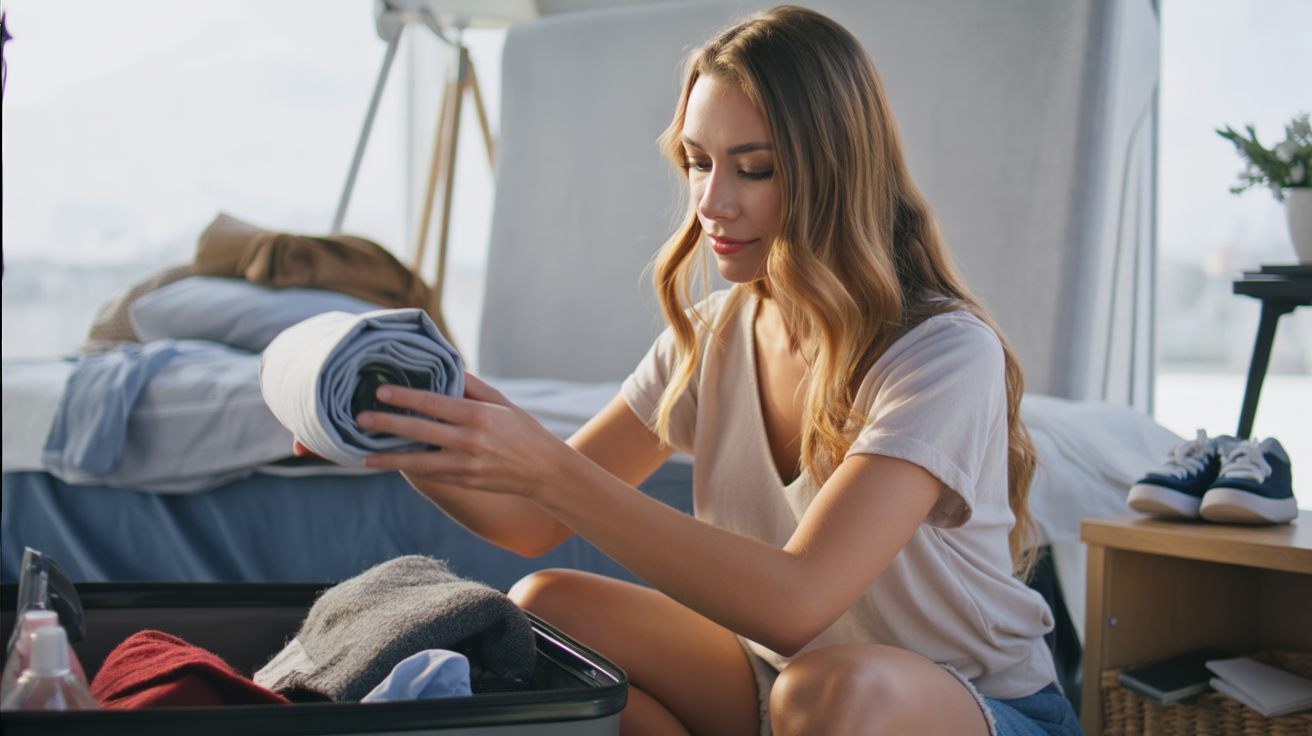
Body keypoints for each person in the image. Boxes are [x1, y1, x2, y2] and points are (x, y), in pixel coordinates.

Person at [326, 6, 1083, 735]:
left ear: (836, 172)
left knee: (831, 691)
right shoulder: (713, 335)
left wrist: (549, 468)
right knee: (548, 607)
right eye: (697, 162)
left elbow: (798, 602)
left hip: (970, 709)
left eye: (753, 169)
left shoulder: (942, 352)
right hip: (783, 687)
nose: (711, 202)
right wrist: (394, 429)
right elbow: (532, 522)